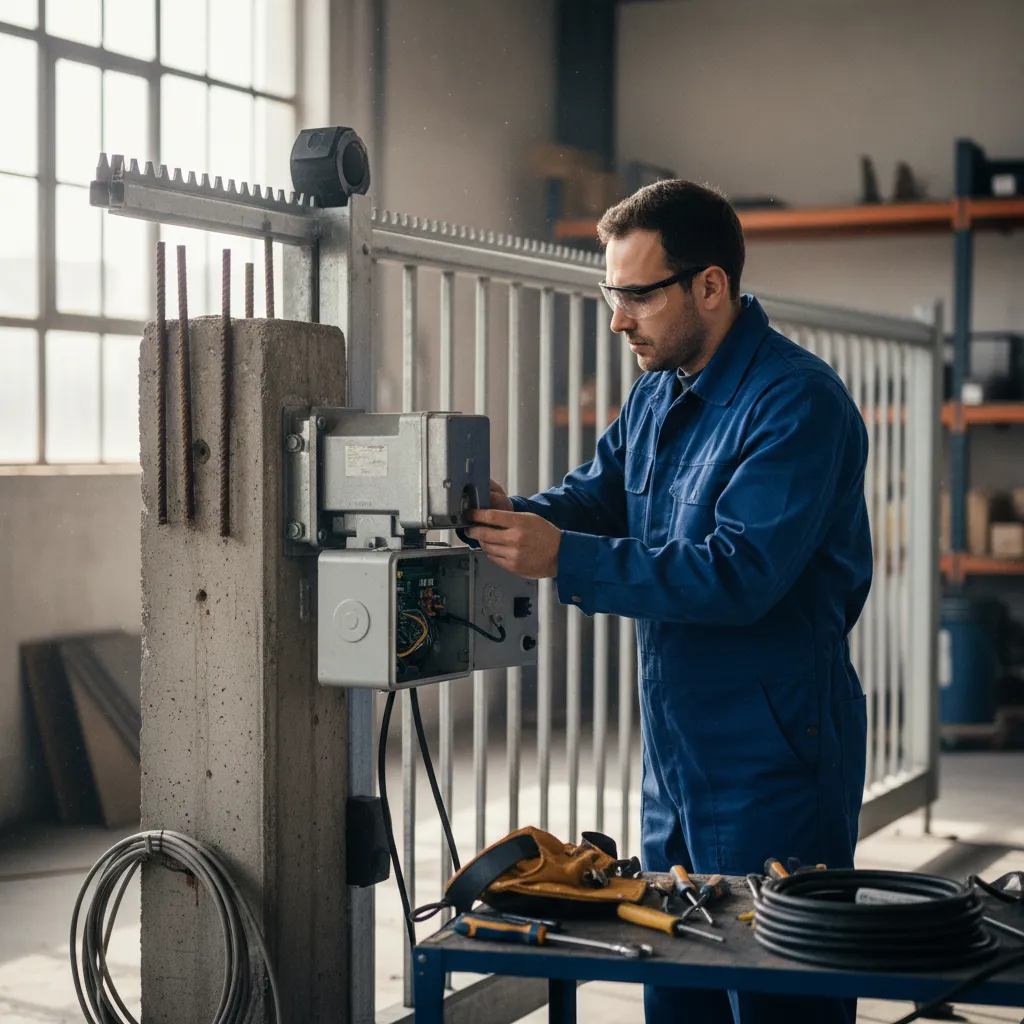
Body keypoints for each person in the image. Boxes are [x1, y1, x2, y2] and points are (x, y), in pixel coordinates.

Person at [465, 180, 871, 1024]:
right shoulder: (659, 389)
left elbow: (740, 572)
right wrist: (519, 518)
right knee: (677, 986)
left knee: (776, 995)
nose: (618, 321)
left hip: (774, 753)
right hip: (676, 755)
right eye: (612, 296)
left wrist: (562, 557)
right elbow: (598, 494)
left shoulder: (798, 402)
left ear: (710, 286)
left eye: (638, 296)